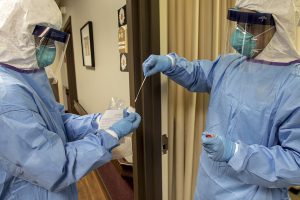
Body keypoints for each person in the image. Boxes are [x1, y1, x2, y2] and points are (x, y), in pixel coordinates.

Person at [143, 0, 300, 199]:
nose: (241, 32)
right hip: (208, 186)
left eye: (249, 24)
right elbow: (199, 74)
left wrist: (235, 153)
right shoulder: (231, 63)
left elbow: (296, 163)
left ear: (278, 27)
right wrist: (170, 63)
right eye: (239, 23)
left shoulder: (293, 84)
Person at [0, 0, 141, 199]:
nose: (49, 48)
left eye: (52, 39)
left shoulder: (29, 76)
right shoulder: (6, 96)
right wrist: (107, 136)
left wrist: (97, 122)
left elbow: (56, 121)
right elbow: (55, 166)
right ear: (13, 36)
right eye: (43, 39)